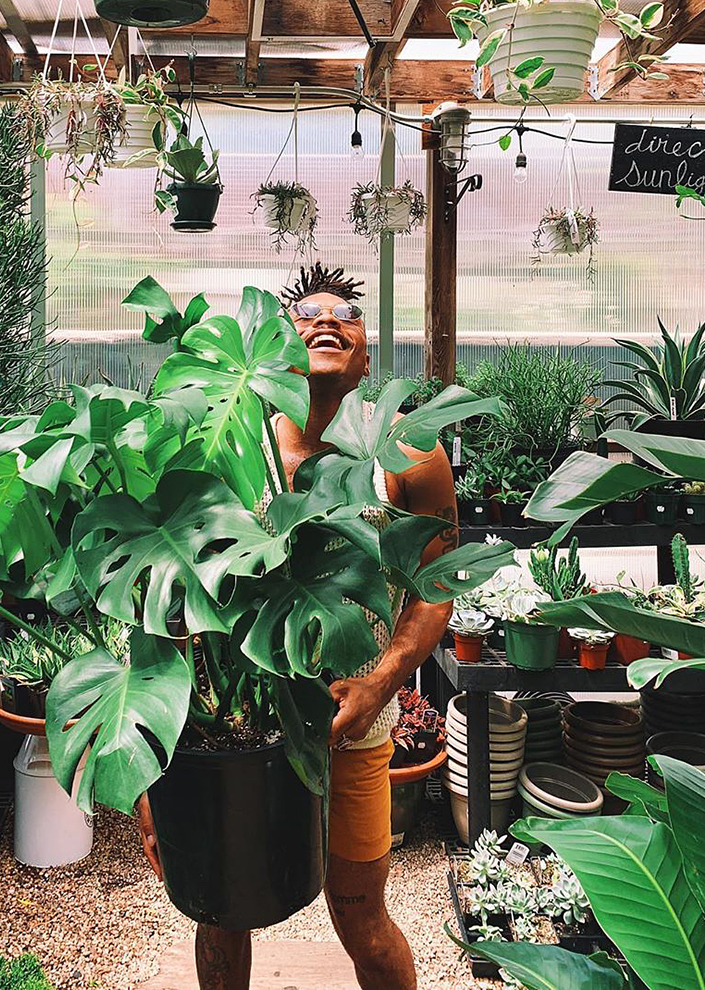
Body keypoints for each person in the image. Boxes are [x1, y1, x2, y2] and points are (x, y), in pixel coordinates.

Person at [138, 262, 458, 990]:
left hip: (355, 727)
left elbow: (437, 586)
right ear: (276, 346)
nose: (326, 321)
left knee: (364, 924)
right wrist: (150, 773)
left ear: (368, 353)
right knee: (222, 913)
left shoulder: (407, 451)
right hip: (232, 731)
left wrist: (380, 684)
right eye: (306, 313)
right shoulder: (223, 446)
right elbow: (159, 602)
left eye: (346, 313)